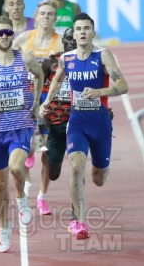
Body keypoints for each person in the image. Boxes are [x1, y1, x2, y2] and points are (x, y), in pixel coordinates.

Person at [39, 12, 129, 239]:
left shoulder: (103, 56)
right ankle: (80, 222)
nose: (82, 33)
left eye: (86, 29)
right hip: (76, 121)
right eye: (78, 29)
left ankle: (101, 168)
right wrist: (47, 102)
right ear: (74, 33)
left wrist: (100, 91)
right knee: (76, 167)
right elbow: (58, 79)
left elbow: (123, 85)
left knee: (98, 178)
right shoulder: (67, 58)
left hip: (99, 123)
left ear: (93, 32)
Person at [0, 16, 44, 253]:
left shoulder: (24, 57)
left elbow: (40, 75)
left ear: (13, 35)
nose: (4, 37)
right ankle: (4, 227)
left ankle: (22, 200)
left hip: (21, 126)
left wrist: (35, 104)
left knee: (15, 168)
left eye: (8, 33)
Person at [13, 0, 63, 216]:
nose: (46, 17)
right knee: (25, 148)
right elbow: (8, 60)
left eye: (50, 14)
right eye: (42, 13)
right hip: (24, 96)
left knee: (48, 153)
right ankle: (25, 186)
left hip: (49, 98)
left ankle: (42, 197)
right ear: (37, 15)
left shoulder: (60, 43)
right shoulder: (24, 39)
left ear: (55, 18)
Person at [42, 27, 76, 181]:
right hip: (55, 122)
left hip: (78, 122)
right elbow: (37, 89)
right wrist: (39, 114)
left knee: (78, 166)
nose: (72, 41)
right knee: (53, 174)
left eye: (75, 37)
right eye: (68, 38)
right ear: (63, 40)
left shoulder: (89, 61)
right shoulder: (50, 61)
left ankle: (77, 204)